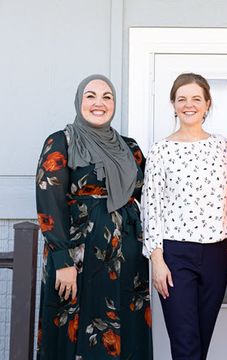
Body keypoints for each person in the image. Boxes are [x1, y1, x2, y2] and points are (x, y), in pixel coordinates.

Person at [35, 74, 152, 359]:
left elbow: (151, 194)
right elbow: (49, 201)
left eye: (107, 97)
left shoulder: (131, 148)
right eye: (91, 96)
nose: (99, 103)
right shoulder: (61, 141)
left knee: (125, 328)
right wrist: (62, 258)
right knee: (76, 328)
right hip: (77, 258)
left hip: (128, 257)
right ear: (79, 101)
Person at [142, 73, 227, 360]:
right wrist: (157, 260)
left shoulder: (224, 147)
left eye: (196, 99)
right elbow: (151, 205)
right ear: (173, 104)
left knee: (201, 342)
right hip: (176, 254)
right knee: (185, 343)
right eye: (182, 99)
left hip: (217, 252)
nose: (188, 105)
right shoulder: (161, 150)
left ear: (207, 104)